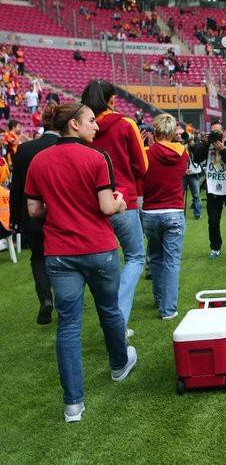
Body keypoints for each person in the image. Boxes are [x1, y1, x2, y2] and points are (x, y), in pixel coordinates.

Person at [24, 102, 137, 423]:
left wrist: (59, 207)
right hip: (97, 248)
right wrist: (120, 202)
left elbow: (34, 210)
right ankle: (119, 365)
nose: (96, 126)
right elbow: (106, 207)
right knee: (109, 310)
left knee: (69, 325)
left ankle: (73, 404)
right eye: (90, 120)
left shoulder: (38, 161)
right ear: (74, 124)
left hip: (59, 253)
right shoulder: (97, 157)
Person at [81, 79, 148, 333]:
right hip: (122, 200)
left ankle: (112, 318)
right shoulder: (125, 123)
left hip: (93, 204)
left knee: (103, 264)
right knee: (135, 257)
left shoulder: (81, 127)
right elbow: (142, 167)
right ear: (112, 100)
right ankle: (116, 319)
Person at [9, 101, 59, 324]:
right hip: (60, 214)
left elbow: (16, 188)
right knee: (64, 256)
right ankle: (66, 296)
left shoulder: (25, 149)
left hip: (32, 215)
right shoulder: (67, 146)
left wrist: (14, 219)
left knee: (38, 258)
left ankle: (46, 298)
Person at [141, 114, 188, 320]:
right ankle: (168, 308)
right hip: (173, 211)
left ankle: (160, 299)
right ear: (172, 132)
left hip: (151, 212)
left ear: (155, 131)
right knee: (171, 261)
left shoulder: (146, 153)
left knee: (156, 258)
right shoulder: (182, 153)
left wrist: (146, 146)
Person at [191, 123, 226, 262]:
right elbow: (196, 159)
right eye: (213, 132)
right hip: (213, 188)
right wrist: (205, 144)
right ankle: (215, 247)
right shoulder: (208, 145)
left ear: (224, 132)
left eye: (217, 132)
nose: (215, 134)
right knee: (213, 221)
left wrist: (222, 150)